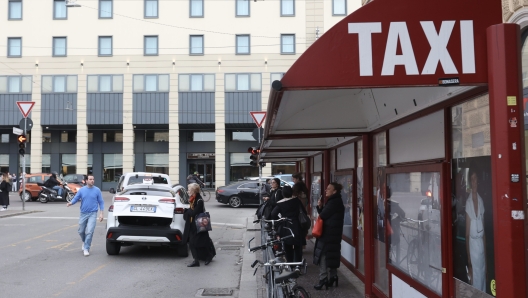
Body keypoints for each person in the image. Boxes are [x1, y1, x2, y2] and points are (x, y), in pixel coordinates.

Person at [313, 182, 345, 290]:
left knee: (323, 255)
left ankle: (323, 279)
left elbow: (323, 215)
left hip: (329, 233)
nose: (326, 190)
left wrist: (320, 208)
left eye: (329, 189)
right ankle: (333, 276)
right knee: (332, 254)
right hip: (333, 233)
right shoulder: (335, 201)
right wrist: (320, 207)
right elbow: (326, 214)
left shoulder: (333, 202)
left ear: (334, 191)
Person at [66, 174, 104, 257]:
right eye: (90, 179)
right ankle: (84, 241)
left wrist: (101, 213)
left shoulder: (97, 190)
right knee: (81, 231)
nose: (92, 181)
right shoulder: (82, 190)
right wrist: (71, 203)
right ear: (86, 181)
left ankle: (86, 248)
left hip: (93, 213)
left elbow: (101, 202)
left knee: (90, 231)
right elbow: (76, 198)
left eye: (93, 179)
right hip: (83, 213)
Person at [465, 168, 487, 292]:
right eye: (472, 179)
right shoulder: (468, 203)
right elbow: (467, 235)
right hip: (473, 248)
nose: (474, 182)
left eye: (475, 179)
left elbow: (484, 234)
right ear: (470, 182)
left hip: (481, 250)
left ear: (478, 181)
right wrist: (469, 263)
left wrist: (487, 264)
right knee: (475, 284)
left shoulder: (481, 201)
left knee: (483, 281)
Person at [184, 182, 215, 267]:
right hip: (193, 225)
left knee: (203, 243)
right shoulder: (192, 199)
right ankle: (196, 260)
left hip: (200, 225)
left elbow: (193, 213)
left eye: (189, 189)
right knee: (191, 243)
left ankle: (209, 256)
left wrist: (187, 210)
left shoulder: (199, 200)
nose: (188, 191)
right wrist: (188, 210)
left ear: (194, 191)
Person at [271, 185, 304, 263]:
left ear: (283, 194)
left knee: (287, 244)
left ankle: (290, 263)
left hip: (285, 224)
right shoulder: (297, 201)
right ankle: (298, 264)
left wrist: (280, 218)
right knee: (297, 245)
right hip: (296, 224)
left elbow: (273, 214)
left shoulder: (280, 203)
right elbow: (304, 212)